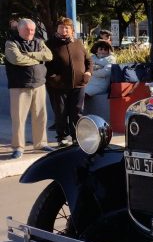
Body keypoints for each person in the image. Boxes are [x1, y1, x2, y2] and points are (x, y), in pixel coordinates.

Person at [5, 18, 53, 158]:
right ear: (19, 29)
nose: (30, 32)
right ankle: (18, 147)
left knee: (40, 116)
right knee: (19, 118)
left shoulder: (39, 41)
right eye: (27, 29)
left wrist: (31, 55)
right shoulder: (11, 43)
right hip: (19, 86)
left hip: (39, 84)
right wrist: (38, 59)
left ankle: (41, 143)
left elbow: (48, 55)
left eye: (32, 29)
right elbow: (16, 59)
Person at [46, 17, 91, 147]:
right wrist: (54, 78)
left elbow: (89, 61)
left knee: (77, 112)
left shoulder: (78, 43)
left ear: (72, 30)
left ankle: (77, 136)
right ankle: (62, 136)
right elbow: (45, 65)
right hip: (58, 86)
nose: (64, 30)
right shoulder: (50, 44)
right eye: (61, 27)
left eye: (67, 28)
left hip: (78, 85)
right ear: (57, 29)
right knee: (61, 112)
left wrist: (88, 73)